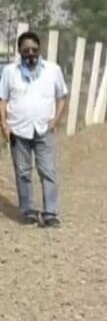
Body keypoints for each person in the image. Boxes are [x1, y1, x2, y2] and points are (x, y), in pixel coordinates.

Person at [0, 31, 67, 227]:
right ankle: (28, 210)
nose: (31, 53)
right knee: (22, 172)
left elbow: (62, 97)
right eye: (26, 50)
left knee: (48, 171)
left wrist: (55, 121)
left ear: (40, 50)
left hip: (44, 129)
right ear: (19, 51)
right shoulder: (9, 72)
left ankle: (50, 213)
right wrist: (4, 124)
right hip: (18, 130)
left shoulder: (53, 70)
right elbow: (2, 99)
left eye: (34, 50)